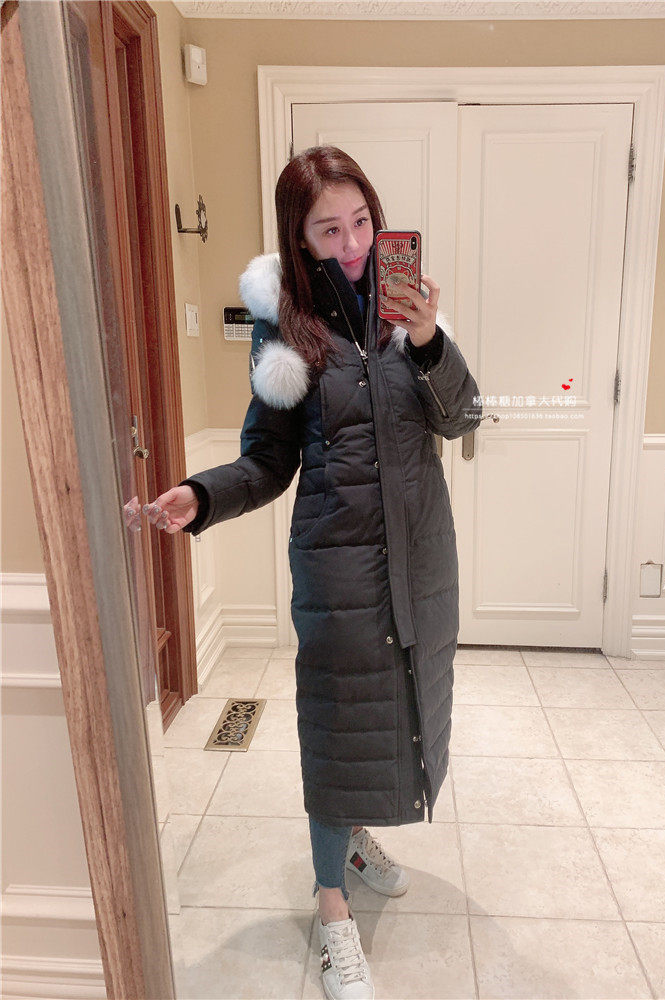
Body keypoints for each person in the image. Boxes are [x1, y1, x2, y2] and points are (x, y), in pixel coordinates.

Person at [140, 146, 481, 1000]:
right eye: (330, 229)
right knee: (337, 728)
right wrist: (201, 494)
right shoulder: (287, 332)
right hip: (338, 571)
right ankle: (333, 909)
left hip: (421, 562)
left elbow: (463, 417)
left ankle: (354, 840)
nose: (354, 243)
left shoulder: (409, 318)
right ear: (299, 238)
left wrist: (429, 339)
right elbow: (268, 459)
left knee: (401, 711)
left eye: (362, 221)